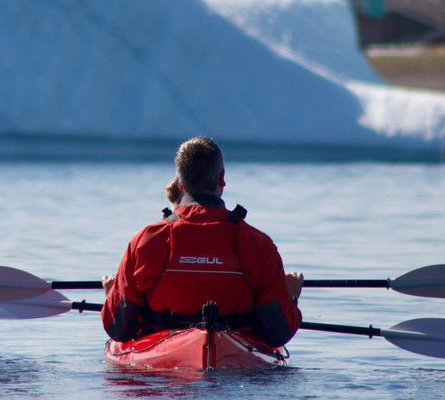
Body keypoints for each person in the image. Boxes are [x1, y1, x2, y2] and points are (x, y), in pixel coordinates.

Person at [102, 136, 302, 347]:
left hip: (162, 362)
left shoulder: (145, 240)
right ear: (222, 177)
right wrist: (290, 297)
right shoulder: (258, 243)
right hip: (234, 361)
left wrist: (112, 296)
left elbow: (119, 328)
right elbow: (279, 333)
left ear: (179, 183)